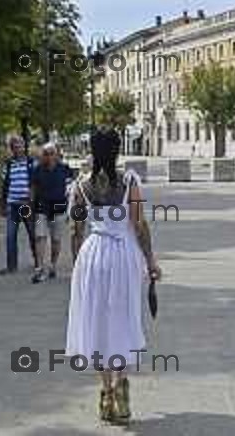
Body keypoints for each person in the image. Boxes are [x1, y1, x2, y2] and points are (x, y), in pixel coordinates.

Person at [66, 128, 161, 424]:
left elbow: (75, 229)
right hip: (123, 256)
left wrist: (76, 263)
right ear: (118, 150)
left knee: (96, 322)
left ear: (92, 150)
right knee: (122, 320)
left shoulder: (81, 185)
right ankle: (121, 389)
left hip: (93, 255)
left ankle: (105, 392)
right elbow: (139, 224)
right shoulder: (129, 180)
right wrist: (151, 260)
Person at [31, 142, 73, 283]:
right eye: (46, 153)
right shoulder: (37, 169)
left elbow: (71, 189)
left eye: (51, 153)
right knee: (40, 237)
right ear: (42, 155)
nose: (48, 156)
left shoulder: (64, 169)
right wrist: (31, 207)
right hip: (41, 208)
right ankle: (40, 268)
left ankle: (53, 265)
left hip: (59, 208)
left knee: (56, 239)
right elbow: (32, 189)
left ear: (56, 154)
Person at [0, 136, 36, 274]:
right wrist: (2, 204)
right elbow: (4, 185)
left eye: (19, 146)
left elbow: (36, 182)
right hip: (12, 204)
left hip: (27, 204)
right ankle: (11, 266)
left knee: (32, 234)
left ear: (23, 146)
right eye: (14, 146)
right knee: (10, 236)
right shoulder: (8, 164)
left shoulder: (31, 163)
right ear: (11, 149)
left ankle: (38, 261)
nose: (17, 149)